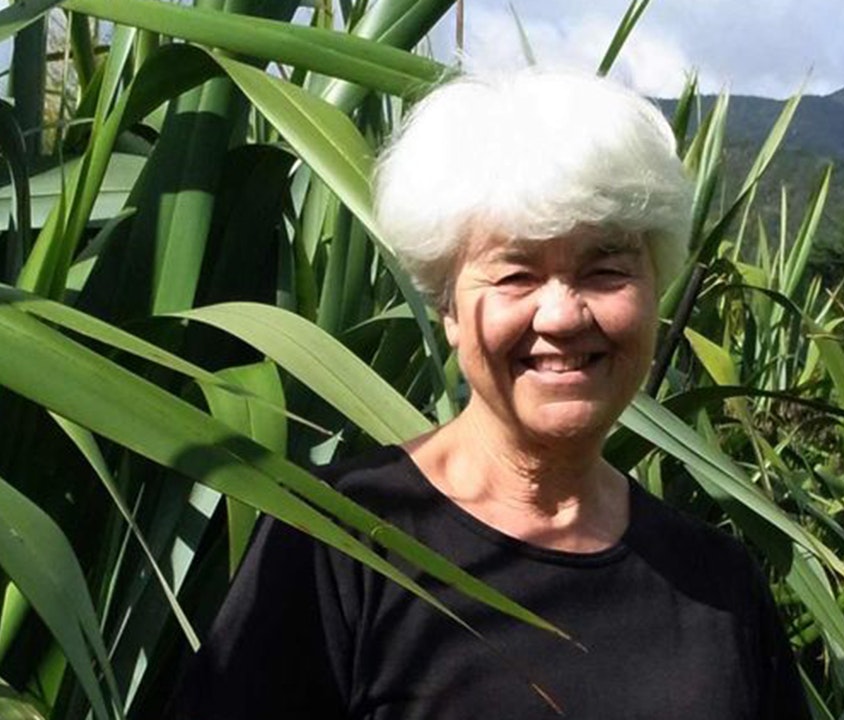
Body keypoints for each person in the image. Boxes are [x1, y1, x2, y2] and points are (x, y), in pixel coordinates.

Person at [170, 68, 810, 719]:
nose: (561, 316)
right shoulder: (338, 542)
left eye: (606, 269)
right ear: (448, 307)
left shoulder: (719, 584)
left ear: (655, 292)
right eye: (515, 274)